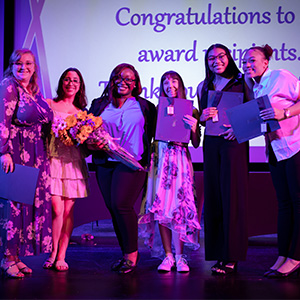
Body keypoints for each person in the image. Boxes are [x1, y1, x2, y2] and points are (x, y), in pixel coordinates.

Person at [88, 63, 156, 274]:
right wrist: (92, 143)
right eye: (119, 77)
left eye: (129, 79)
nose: (124, 82)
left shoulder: (145, 106)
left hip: (132, 164)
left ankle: (131, 256)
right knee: (113, 207)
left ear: (136, 84)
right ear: (112, 80)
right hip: (105, 162)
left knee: (121, 204)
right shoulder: (99, 104)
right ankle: (125, 252)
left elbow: (155, 134)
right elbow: (87, 132)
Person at [243, 44, 300, 278]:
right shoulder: (256, 88)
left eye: (252, 60)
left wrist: (285, 113)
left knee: (297, 203)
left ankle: (296, 256)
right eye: (244, 61)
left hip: (295, 147)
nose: (247, 64)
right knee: (284, 204)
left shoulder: (280, 76)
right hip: (275, 151)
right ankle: (283, 254)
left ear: (266, 62)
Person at [139, 71, 201, 273]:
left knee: (179, 208)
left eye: (173, 81)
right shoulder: (157, 109)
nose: (169, 84)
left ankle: (180, 256)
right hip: (161, 160)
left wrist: (193, 128)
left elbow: (196, 143)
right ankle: (168, 256)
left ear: (180, 84)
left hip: (181, 161)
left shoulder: (191, 109)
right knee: (162, 209)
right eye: (165, 81)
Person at [197, 44, 250, 275]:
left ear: (228, 57)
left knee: (232, 198)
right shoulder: (204, 86)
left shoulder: (242, 81)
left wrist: (239, 129)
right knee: (215, 198)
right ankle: (218, 254)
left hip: (234, 143)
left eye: (220, 56)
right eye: (211, 58)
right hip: (212, 144)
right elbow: (202, 119)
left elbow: (255, 113)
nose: (216, 61)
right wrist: (202, 116)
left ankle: (232, 256)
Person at [0, 49, 53, 278]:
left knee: (24, 206)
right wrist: (3, 151)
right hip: (16, 153)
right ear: (11, 65)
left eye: (29, 63)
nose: (24, 67)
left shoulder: (31, 90)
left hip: (35, 155)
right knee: (12, 207)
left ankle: (16, 256)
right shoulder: (8, 86)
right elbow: (1, 119)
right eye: (18, 63)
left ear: (35, 67)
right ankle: (6, 258)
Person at [43, 68, 89, 272]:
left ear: (80, 86)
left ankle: (61, 255)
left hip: (72, 163)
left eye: (75, 81)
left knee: (68, 211)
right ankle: (52, 252)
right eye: (67, 79)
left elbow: (85, 144)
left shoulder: (82, 113)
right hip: (52, 160)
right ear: (62, 82)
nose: (71, 83)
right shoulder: (49, 104)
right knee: (56, 208)